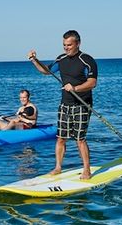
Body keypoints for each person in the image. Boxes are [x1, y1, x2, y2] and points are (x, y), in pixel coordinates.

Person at [28, 30, 98, 180]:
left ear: (78, 44)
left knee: (80, 139)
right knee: (60, 138)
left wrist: (75, 88)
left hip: (82, 104)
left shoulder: (87, 60)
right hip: (64, 104)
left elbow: (92, 83)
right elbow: (46, 71)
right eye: (64, 45)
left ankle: (87, 169)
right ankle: (58, 167)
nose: (66, 48)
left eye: (69, 45)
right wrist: (34, 60)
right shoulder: (61, 59)